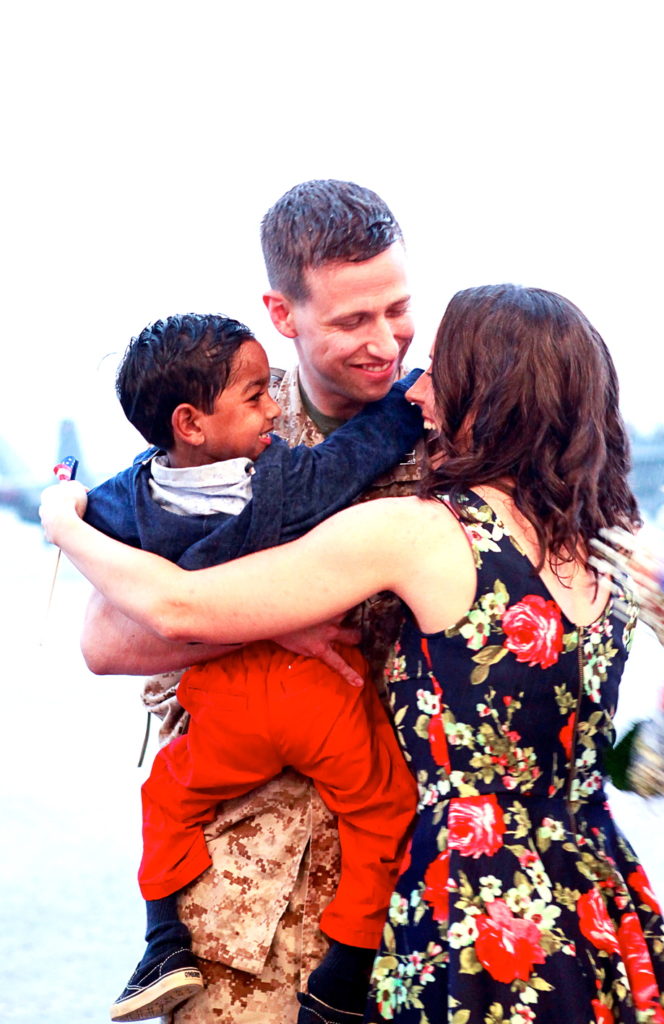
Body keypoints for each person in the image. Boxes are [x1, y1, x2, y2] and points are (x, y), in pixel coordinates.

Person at [42, 284, 664, 1024]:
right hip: (591, 892)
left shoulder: (421, 532)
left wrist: (64, 525)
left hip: (474, 906)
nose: (420, 381)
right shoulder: (613, 548)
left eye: (441, 365)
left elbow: (176, 606)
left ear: (484, 393)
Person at [79, 180, 423, 1022]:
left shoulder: (456, 426)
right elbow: (109, 642)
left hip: (406, 900)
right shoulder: (218, 431)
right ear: (283, 311)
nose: (384, 341)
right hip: (238, 904)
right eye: (351, 321)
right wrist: (279, 620)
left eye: (398, 309)